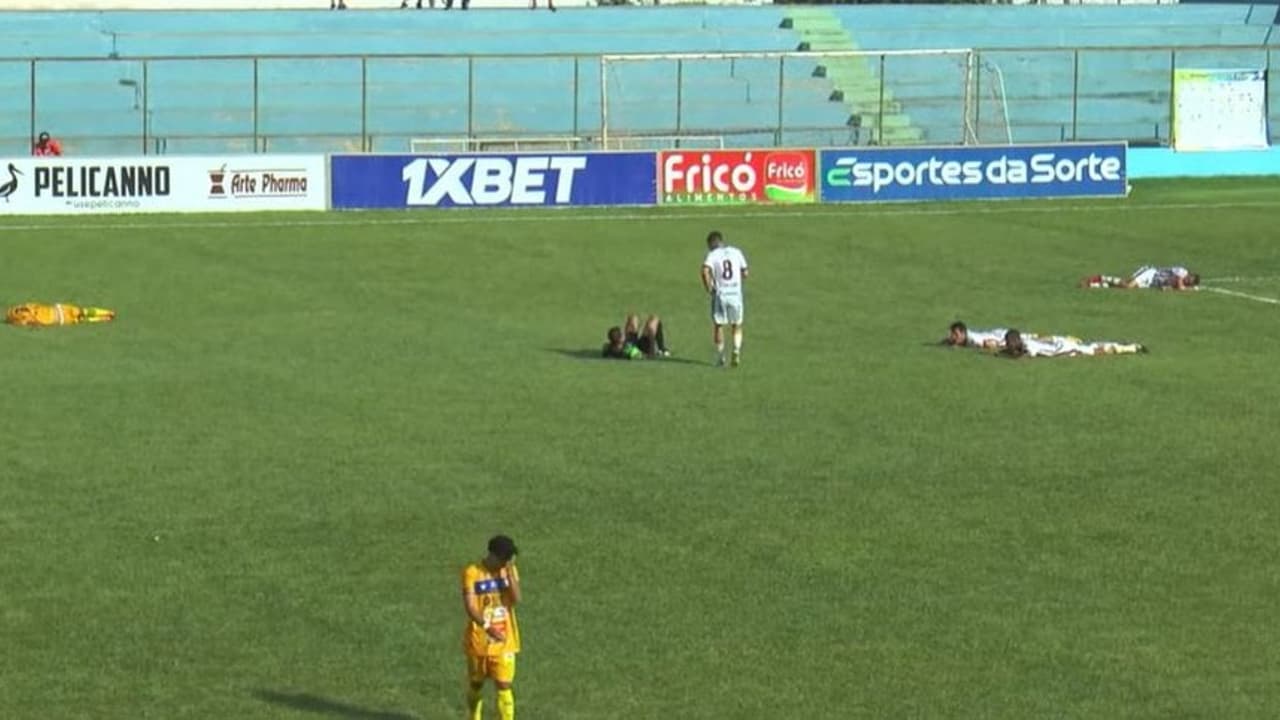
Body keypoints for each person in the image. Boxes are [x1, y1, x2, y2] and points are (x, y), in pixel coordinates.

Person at [462, 535, 522, 720]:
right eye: (504, 559)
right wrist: (487, 627)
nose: (506, 562)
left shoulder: (508, 571)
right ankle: (474, 716)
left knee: (504, 685)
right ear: (493, 555)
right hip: (479, 639)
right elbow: (470, 607)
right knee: (476, 683)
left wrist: (510, 572)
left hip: (504, 639)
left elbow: (516, 599)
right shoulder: (472, 572)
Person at [701, 230, 748, 367]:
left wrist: (708, 286)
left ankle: (721, 356)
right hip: (735, 293)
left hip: (720, 294)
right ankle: (736, 350)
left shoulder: (712, 255)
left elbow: (704, 270)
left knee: (719, 325)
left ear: (710, 244)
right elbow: (745, 272)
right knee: (737, 324)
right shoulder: (736, 251)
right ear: (721, 241)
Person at [1001, 328, 1145, 358]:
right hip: (1061, 342)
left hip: (1066, 347)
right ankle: (1122, 344)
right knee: (1092, 346)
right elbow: (1047, 338)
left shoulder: (1028, 347)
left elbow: (1022, 357)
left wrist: (1003, 354)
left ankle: (1131, 348)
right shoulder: (1027, 342)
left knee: (1095, 351)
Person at [602, 314, 670, 360]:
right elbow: (642, 355)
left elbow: (606, 350)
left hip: (630, 343)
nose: (622, 333)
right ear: (620, 339)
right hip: (643, 348)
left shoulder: (608, 348)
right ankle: (661, 349)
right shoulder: (628, 351)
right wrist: (651, 352)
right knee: (653, 322)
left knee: (633, 318)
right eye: (621, 334)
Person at [1081, 266, 1200, 290]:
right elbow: (1179, 283)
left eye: (1190, 282)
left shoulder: (1176, 286)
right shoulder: (1182, 271)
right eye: (1190, 279)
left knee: (1125, 286)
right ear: (1190, 275)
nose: (1188, 281)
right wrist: (1188, 290)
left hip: (1151, 284)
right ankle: (1101, 277)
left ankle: (1094, 285)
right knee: (1128, 286)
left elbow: (1164, 289)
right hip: (1150, 273)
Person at [5, 302, 114, 327]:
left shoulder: (30, 305)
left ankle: (107, 313)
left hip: (60, 310)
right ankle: (104, 318)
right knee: (80, 319)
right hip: (59, 318)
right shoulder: (25, 319)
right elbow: (27, 322)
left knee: (82, 312)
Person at [943, 321, 1010, 351]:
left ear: (963, 333)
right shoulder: (961, 337)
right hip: (994, 333)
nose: (954, 336)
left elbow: (989, 344)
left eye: (956, 334)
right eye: (952, 333)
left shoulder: (974, 340)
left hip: (1001, 336)